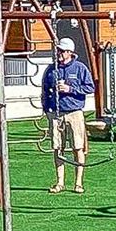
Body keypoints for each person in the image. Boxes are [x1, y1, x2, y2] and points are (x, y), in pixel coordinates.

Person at [41, 37, 94, 194]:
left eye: (62, 51)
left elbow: (90, 87)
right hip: (56, 114)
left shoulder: (80, 68)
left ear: (70, 52)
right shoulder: (51, 70)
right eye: (57, 50)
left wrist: (70, 89)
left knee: (78, 147)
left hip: (74, 113)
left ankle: (78, 183)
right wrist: (46, 108)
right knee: (57, 148)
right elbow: (44, 90)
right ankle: (60, 182)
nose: (58, 53)